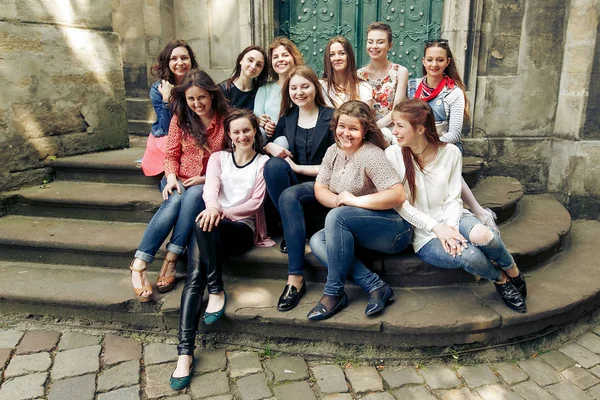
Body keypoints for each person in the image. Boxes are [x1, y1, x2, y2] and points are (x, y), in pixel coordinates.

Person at [386, 99, 527, 313]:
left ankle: (514, 271)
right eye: (392, 125)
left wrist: (450, 228)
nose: (393, 131)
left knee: (484, 236)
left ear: (421, 129)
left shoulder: (450, 152)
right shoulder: (393, 154)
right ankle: (502, 281)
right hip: (425, 232)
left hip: (454, 216)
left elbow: (453, 198)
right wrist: (437, 228)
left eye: (399, 125)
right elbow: (401, 205)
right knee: (469, 255)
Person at [170, 109, 274, 390]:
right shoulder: (219, 158)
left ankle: (215, 288)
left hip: (241, 229)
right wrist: (213, 208)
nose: (242, 136)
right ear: (228, 135)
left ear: (255, 132)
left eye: (247, 131)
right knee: (194, 276)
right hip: (211, 225)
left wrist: (221, 212)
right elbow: (210, 190)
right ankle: (185, 354)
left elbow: (254, 203)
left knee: (204, 222)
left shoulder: (264, 163)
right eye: (236, 132)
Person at [307, 100, 412, 321]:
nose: (346, 133)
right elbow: (320, 187)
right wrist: (339, 201)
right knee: (318, 241)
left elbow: (397, 195)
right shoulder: (333, 151)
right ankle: (375, 285)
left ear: (365, 131)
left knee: (337, 216)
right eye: (342, 126)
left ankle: (333, 292)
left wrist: (354, 201)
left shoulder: (370, 154)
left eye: (353, 128)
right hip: (358, 230)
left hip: (393, 230)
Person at [130, 69, 228, 301]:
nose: (197, 103)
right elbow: (171, 154)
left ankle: (171, 258)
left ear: (212, 94)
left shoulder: (226, 119)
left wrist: (207, 179)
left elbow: (233, 159)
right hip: (178, 176)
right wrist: (172, 177)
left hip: (208, 181)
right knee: (174, 199)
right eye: (191, 98)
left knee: (193, 195)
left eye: (201, 97)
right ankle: (141, 263)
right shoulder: (180, 118)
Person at [263, 66, 335, 312]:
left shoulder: (332, 117)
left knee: (290, 195)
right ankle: (293, 228)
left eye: (305, 86)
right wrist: (270, 147)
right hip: (295, 188)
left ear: (316, 87)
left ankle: (295, 278)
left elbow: (338, 165)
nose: (299, 92)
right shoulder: (288, 118)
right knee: (273, 166)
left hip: (324, 185)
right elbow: (272, 146)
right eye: (293, 87)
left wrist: (300, 168)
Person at [408, 38, 498, 231]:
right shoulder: (412, 87)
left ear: (447, 62)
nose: (434, 64)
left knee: (448, 162)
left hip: (442, 144)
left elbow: (455, 133)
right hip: (414, 144)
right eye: (430, 60)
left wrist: (430, 144)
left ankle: (478, 211)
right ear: (423, 61)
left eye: (439, 60)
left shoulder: (453, 92)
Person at [141, 40, 199, 176]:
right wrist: (167, 99)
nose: (180, 63)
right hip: (167, 134)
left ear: (191, 61)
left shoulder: (198, 83)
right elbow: (167, 127)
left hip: (193, 130)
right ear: (167, 62)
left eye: (184, 58)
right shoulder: (158, 89)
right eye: (174, 59)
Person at [357, 22, 408, 130]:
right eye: (370, 42)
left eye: (380, 42)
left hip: (392, 131)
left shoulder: (400, 72)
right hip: (364, 131)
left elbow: (397, 110)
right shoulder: (359, 75)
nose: (374, 46)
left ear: (390, 46)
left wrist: (375, 128)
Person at [254, 37, 304, 141]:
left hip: (294, 138)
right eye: (275, 57)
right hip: (267, 139)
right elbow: (256, 119)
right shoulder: (264, 89)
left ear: (294, 58)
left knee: (282, 142)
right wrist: (263, 123)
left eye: (285, 55)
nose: (280, 59)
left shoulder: (303, 88)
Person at [320, 36, 373, 109]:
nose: (337, 58)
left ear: (349, 56)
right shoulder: (320, 87)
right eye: (332, 55)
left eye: (342, 53)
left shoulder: (363, 88)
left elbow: (365, 118)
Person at [218, 46, 268, 111]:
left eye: (258, 65)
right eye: (250, 60)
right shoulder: (222, 90)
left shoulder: (261, 91)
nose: (253, 66)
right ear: (241, 60)